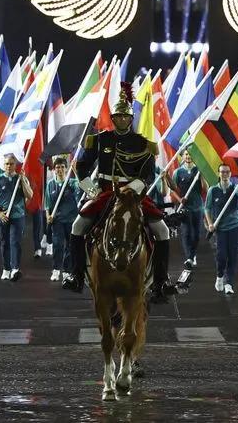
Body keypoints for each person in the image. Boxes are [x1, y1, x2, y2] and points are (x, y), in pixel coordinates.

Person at [62, 85, 176, 304]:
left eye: (125, 116)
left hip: (134, 195)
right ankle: (75, 274)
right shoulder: (100, 139)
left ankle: (161, 281)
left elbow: (148, 174)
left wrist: (133, 188)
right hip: (105, 192)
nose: (121, 120)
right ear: (113, 118)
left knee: (162, 230)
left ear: (131, 118)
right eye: (117, 116)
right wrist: (91, 189)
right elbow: (83, 166)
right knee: (77, 226)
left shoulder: (143, 143)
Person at [205, 164, 238, 294]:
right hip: (220, 228)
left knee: (233, 255)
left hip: (235, 225)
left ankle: (229, 283)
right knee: (222, 255)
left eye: (227, 172)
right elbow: (207, 208)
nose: (225, 174)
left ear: (230, 174)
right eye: (222, 172)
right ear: (218, 173)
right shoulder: (213, 190)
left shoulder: (236, 189)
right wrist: (210, 223)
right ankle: (219, 276)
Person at [0, 154, 33, 282]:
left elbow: (29, 195)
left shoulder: (20, 179)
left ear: (16, 165)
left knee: (15, 242)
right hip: (3, 217)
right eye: (7, 164)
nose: (9, 166)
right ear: (4, 165)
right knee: (4, 242)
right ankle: (6, 269)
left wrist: (23, 180)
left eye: (11, 164)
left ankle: (15, 268)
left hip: (18, 216)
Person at [45, 157, 82, 282]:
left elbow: (82, 187)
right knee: (58, 245)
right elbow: (47, 205)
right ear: (54, 170)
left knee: (70, 247)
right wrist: (48, 216)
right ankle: (56, 270)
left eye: (62, 167)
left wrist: (76, 171)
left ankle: (67, 271)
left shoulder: (71, 183)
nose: (60, 170)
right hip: (57, 221)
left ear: (66, 169)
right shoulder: (50, 184)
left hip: (71, 220)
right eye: (57, 167)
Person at [171, 152, 205, 269]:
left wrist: (202, 176)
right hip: (184, 208)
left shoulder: (198, 171)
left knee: (196, 234)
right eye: (186, 154)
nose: (188, 156)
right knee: (186, 232)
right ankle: (189, 258)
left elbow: (204, 188)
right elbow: (173, 189)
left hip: (198, 207)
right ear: (183, 156)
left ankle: (192, 254)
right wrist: (180, 199)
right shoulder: (178, 172)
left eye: (190, 154)